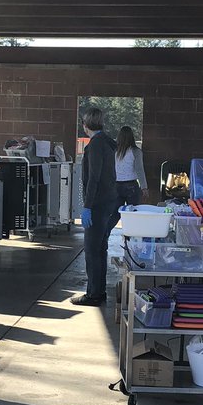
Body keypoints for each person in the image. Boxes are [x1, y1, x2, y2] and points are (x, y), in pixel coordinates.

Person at [73, 105, 119, 306]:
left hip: (98, 204)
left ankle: (93, 294)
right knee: (100, 248)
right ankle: (99, 291)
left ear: (85, 125)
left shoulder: (95, 145)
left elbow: (93, 178)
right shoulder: (108, 143)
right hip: (109, 201)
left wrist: (87, 206)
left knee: (92, 249)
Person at [114, 125, 148, 206]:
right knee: (134, 213)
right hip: (131, 185)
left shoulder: (115, 151)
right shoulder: (136, 151)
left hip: (116, 185)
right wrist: (144, 187)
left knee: (115, 213)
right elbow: (139, 170)